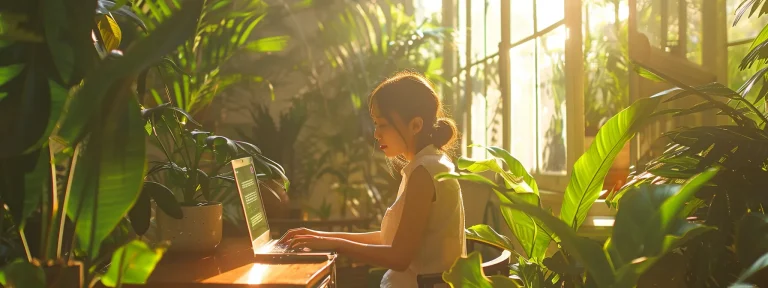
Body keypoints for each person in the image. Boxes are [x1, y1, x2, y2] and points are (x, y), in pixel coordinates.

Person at [279, 71, 467, 288]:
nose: (376, 134)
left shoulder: (425, 172)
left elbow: (398, 257)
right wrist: (320, 237)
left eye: (383, 124)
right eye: (376, 123)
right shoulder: (430, 163)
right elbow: (393, 240)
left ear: (415, 125)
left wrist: (333, 244)